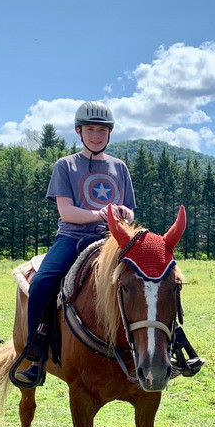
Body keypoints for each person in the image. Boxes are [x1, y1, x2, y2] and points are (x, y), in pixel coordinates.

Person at [10, 101, 136, 387]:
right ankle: (35, 352)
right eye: (90, 129)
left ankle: (168, 346)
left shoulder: (120, 167)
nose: (96, 136)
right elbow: (66, 212)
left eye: (102, 130)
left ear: (110, 133)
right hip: (72, 238)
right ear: (79, 132)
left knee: (153, 277)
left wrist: (125, 214)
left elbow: (129, 209)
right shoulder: (66, 165)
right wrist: (101, 214)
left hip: (113, 240)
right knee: (43, 282)